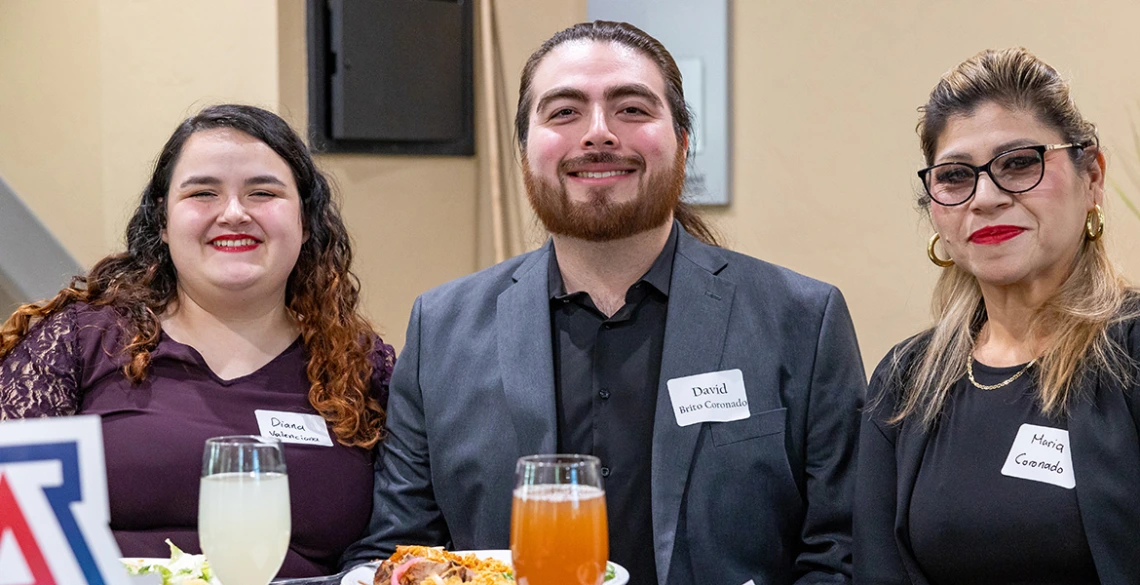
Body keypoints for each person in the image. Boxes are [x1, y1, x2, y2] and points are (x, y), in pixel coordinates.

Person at [342, 21, 865, 585]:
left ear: (683, 143)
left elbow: (844, 551)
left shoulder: (804, 322)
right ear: (524, 151)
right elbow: (397, 551)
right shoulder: (441, 330)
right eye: (563, 112)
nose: (598, 134)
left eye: (633, 110)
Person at [0, 104, 394, 578]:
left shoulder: (363, 370)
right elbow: (12, 529)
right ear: (163, 224)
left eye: (263, 192)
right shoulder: (77, 342)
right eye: (203, 192)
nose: (233, 214)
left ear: (306, 222)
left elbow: (401, 542)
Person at [854, 47, 1140, 585]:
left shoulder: (1132, 350)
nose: (985, 197)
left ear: (1093, 177)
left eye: (1019, 163)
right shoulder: (906, 381)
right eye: (956, 175)